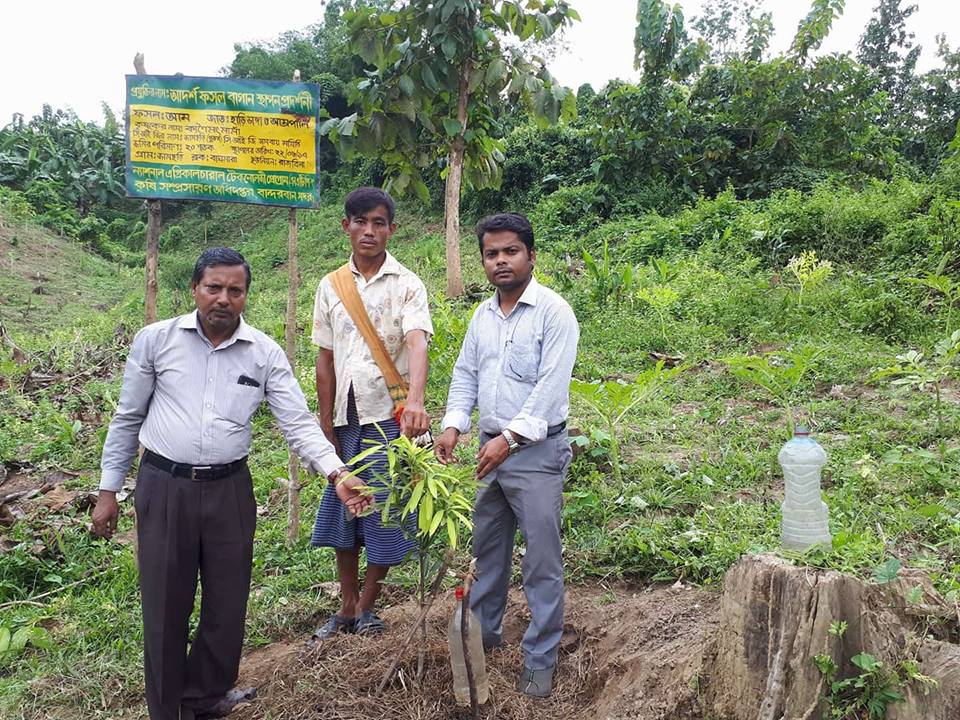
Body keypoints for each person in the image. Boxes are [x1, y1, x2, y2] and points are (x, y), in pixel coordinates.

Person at [90, 247, 353, 720]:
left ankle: (207, 695)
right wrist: (108, 492)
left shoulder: (264, 353)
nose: (224, 299)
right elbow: (128, 417)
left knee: (227, 602)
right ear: (195, 289)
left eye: (235, 290)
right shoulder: (156, 341)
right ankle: (168, 710)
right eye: (214, 287)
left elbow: (297, 422)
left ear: (247, 295)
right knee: (167, 603)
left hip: (231, 490)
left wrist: (335, 471)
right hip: (164, 486)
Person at [434, 212, 579, 698]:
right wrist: (454, 424)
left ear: (531, 256)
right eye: (492, 254)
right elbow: (465, 375)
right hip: (487, 451)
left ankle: (540, 659)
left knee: (540, 561)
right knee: (486, 553)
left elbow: (548, 389)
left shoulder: (554, 313)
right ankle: (485, 639)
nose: (501, 261)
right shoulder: (482, 315)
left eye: (511, 251)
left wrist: (509, 440)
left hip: (535, 452)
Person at [309, 187, 433, 639]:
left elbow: (418, 341)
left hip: (388, 414)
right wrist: (324, 419)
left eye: (379, 222)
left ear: (391, 230)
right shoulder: (330, 285)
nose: (369, 231)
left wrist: (415, 401)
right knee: (345, 509)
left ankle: (367, 604)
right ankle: (344, 605)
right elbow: (325, 357)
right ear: (346, 226)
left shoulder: (408, 284)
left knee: (382, 510)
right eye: (360, 221)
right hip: (345, 417)